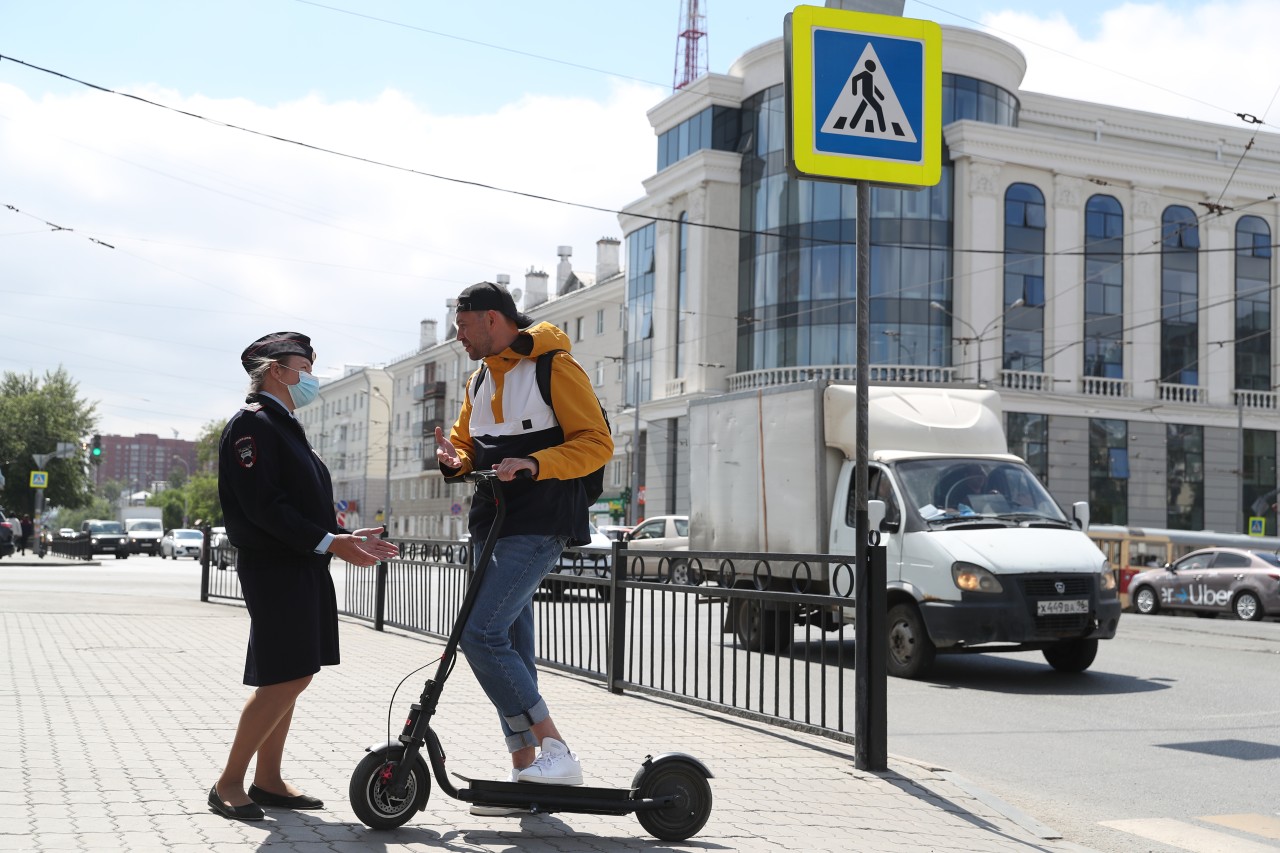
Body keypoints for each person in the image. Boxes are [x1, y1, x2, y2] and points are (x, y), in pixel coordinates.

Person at [434, 281, 613, 813]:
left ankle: (556, 749)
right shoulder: (479, 378)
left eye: (463, 326)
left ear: (492, 319)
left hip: (540, 521)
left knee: (480, 633)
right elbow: (470, 445)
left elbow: (597, 442)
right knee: (508, 647)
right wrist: (455, 458)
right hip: (492, 522)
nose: (457, 336)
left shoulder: (555, 368)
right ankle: (528, 777)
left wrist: (536, 463)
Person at [209, 331, 398, 821]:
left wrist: (342, 535)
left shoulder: (284, 426)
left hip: (299, 565)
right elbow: (265, 507)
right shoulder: (253, 426)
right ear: (276, 369)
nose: (312, 374)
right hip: (275, 568)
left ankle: (268, 780)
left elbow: (300, 507)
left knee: (292, 674)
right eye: (306, 364)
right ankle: (228, 782)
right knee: (285, 677)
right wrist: (330, 541)